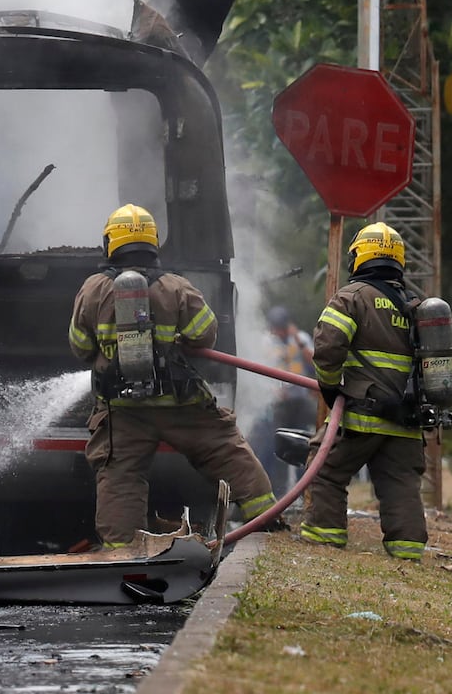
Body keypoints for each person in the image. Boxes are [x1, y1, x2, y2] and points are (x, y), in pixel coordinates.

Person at [68, 203, 276, 548]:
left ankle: (123, 552)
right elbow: (206, 335)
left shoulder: (93, 289)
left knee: (120, 476)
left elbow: (79, 345)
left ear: (110, 243)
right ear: (154, 243)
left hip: (123, 411)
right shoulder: (176, 287)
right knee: (226, 451)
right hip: (181, 405)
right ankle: (266, 520)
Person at [300, 221, 427, 561]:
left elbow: (327, 349)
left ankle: (324, 540)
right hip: (406, 420)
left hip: (361, 416)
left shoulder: (352, 298)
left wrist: (330, 388)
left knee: (324, 468)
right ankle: (408, 552)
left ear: (359, 258)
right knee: (401, 484)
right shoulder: (417, 308)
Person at [249, 305, 319, 497]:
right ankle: (276, 494)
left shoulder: (301, 338)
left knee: (304, 444)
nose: (278, 331)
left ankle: (304, 492)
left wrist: (298, 339)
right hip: (277, 403)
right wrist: (270, 392)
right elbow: (257, 371)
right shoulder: (265, 342)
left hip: (299, 400)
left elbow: (315, 363)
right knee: (276, 447)